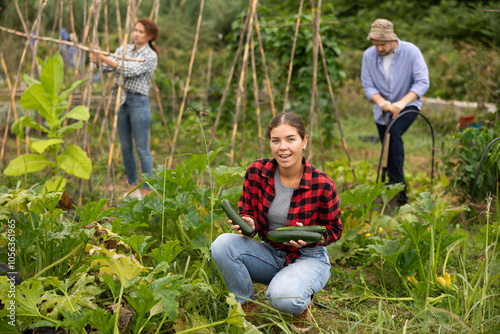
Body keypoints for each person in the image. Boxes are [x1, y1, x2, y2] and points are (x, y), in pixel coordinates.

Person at [211, 112, 342, 331]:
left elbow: (334, 230)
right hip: (270, 252)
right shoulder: (257, 172)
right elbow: (247, 210)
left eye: (290, 139)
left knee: (281, 298)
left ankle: (301, 305)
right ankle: (246, 309)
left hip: (308, 257)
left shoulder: (322, 183)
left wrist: (308, 238)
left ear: (304, 141)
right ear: (270, 143)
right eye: (276, 140)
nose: (283, 147)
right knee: (222, 245)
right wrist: (249, 223)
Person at [361, 18, 430, 206]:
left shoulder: (411, 52)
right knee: (388, 148)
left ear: (393, 39)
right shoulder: (368, 55)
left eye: (382, 44)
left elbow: (422, 82)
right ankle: (391, 189)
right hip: (382, 109)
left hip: (408, 104)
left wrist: (401, 103)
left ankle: (399, 191)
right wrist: (381, 102)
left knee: (394, 134)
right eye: (375, 45)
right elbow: (367, 85)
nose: (379, 49)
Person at [90, 18, 159, 199]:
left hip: (138, 102)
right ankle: (132, 185)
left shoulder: (151, 55)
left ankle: (147, 189)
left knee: (142, 148)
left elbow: (128, 70)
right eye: (135, 30)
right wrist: (97, 61)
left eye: (141, 32)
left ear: (150, 36)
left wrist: (104, 58)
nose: (136, 34)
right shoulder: (124, 49)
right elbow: (106, 68)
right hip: (121, 101)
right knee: (126, 147)